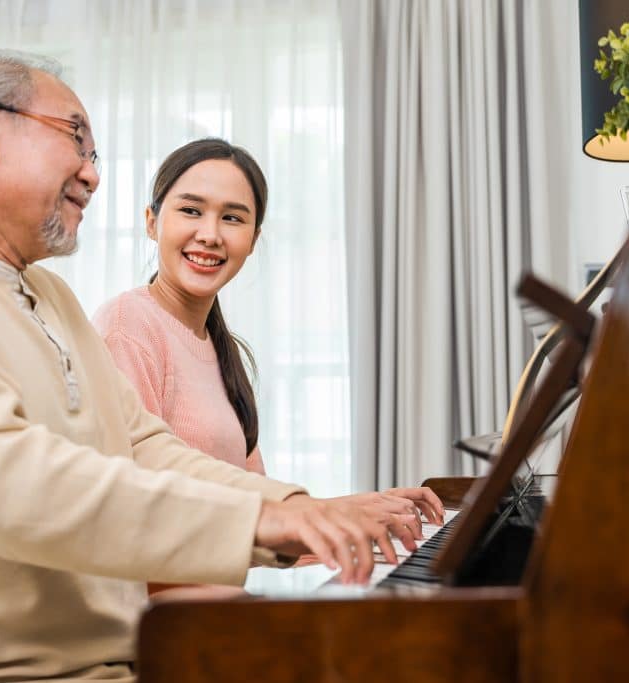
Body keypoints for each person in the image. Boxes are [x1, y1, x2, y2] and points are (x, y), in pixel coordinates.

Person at [0, 50, 410, 682]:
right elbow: (14, 485)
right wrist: (268, 520)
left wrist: (299, 508)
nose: (92, 176)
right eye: (76, 140)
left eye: (95, 157)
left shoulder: (52, 298)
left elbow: (144, 446)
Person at [91, 138, 444, 539]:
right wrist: (337, 514)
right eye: (191, 210)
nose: (209, 235)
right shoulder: (128, 326)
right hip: (168, 603)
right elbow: (138, 500)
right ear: (151, 222)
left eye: (233, 218)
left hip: (225, 596)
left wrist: (360, 520)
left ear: (253, 239)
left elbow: (257, 526)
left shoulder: (221, 348)